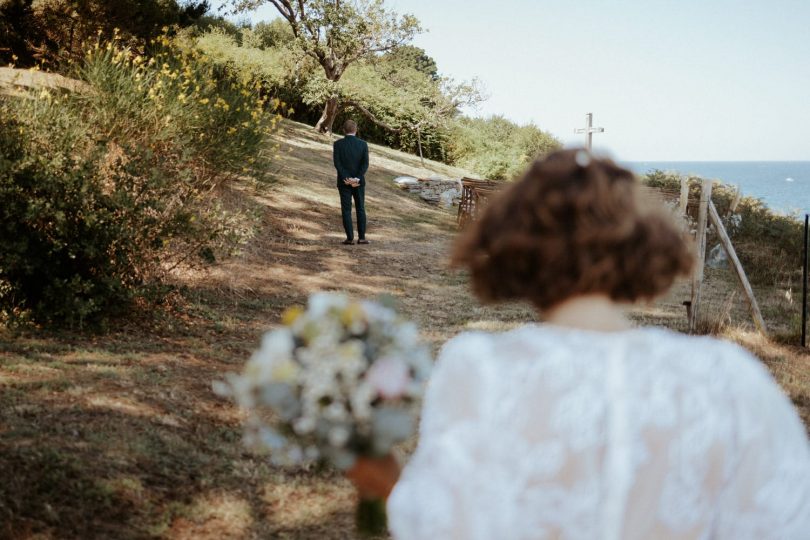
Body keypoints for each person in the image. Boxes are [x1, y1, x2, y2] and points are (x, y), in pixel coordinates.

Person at [347, 149, 810, 539]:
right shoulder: (727, 374)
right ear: (646, 245)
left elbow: (442, 525)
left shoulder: (477, 368)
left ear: (512, 245)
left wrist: (376, 469)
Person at [333, 119, 370, 245]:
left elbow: (337, 164)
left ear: (344, 130)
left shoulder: (337, 144)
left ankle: (349, 238)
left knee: (346, 210)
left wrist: (347, 178)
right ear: (356, 130)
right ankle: (362, 237)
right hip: (359, 182)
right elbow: (365, 164)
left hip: (344, 182)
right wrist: (357, 178)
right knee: (360, 208)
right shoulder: (363, 144)